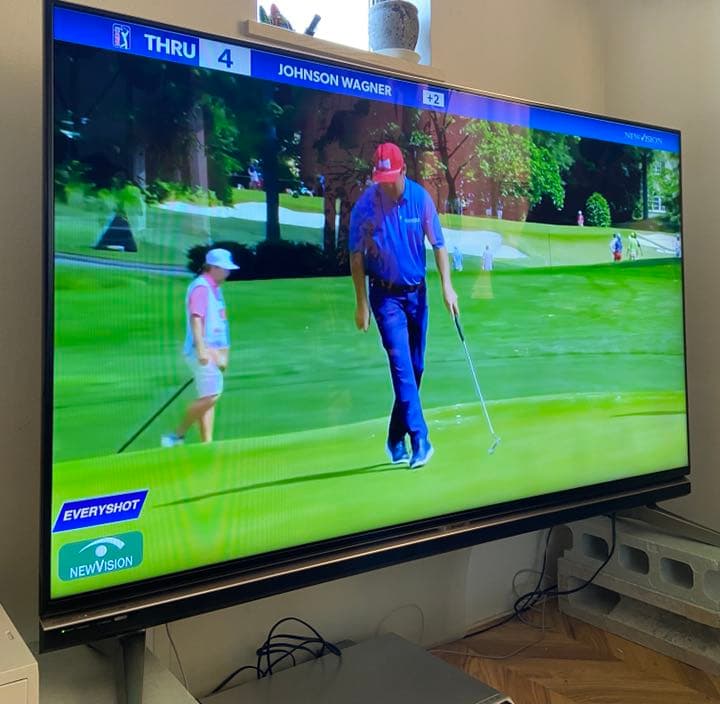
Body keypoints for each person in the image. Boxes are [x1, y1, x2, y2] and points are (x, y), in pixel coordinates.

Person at [349, 143, 459, 470]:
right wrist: (361, 303)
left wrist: (447, 287)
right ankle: (419, 438)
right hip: (385, 297)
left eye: (390, 178)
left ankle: (394, 436)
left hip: (417, 295)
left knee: (416, 367)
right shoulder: (365, 206)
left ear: (403, 172)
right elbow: (356, 256)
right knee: (401, 366)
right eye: (380, 179)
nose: (385, 185)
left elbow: (438, 244)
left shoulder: (420, 199)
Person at [162, 248, 239, 446]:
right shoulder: (201, 288)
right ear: (213, 267)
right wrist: (202, 350)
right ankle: (176, 435)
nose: (228, 273)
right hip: (202, 351)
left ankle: (206, 444)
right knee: (212, 395)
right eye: (225, 269)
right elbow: (196, 319)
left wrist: (223, 355)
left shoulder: (215, 289)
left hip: (212, 351)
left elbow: (220, 323)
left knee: (207, 397)